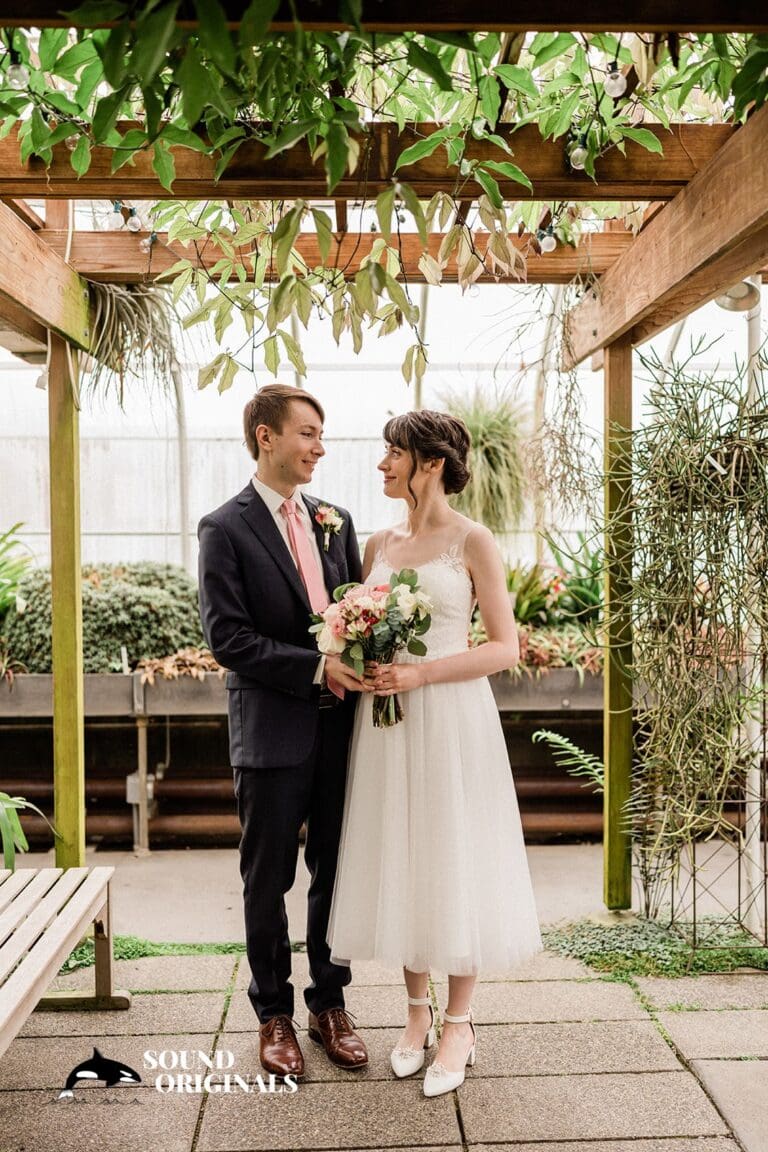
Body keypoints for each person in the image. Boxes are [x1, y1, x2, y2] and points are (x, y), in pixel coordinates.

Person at [326, 409, 543, 1098]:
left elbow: (505, 648)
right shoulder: (379, 544)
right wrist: (356, 661)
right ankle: (415, 1015)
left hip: (451, 716)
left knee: (456, 856)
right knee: (404, 856)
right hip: (387, 724)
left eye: (394, 452)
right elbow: (361, 629)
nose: (383, 463)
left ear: (431, 462)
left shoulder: (473, 541)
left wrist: (420, 674)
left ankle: (460, 1022)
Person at [197, 383, 371, 1080]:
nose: (319, 447)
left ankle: (330, 1005)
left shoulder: (337, 519)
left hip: (341, 733)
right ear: (265, 436)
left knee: (336, 872)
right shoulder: (224, 528)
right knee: (266, 880)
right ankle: (273, 1014)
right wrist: (315, 668)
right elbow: (227, 639)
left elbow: (358, 610)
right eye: (306, 433)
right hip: (270, 732)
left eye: (321, 435)